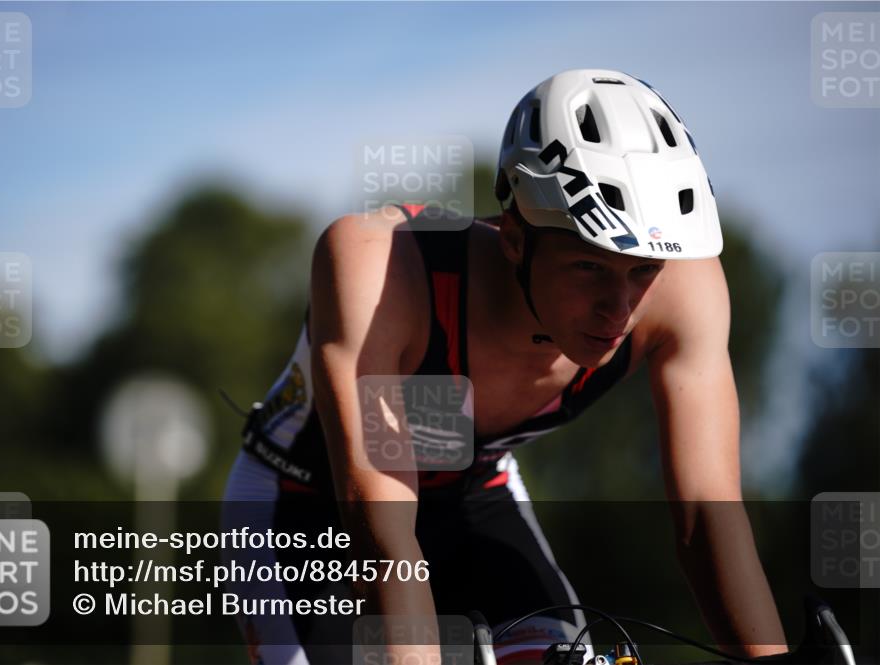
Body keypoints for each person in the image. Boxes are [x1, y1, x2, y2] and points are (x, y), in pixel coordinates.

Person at [221, 69, 787, 665]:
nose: (619, 309)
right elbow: (382, 535)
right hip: (309, 507)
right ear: (514, 237)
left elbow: (706, 512)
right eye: (589, 267)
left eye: (642, 271)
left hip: (474, 493)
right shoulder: (382, 269)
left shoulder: (684, 286)